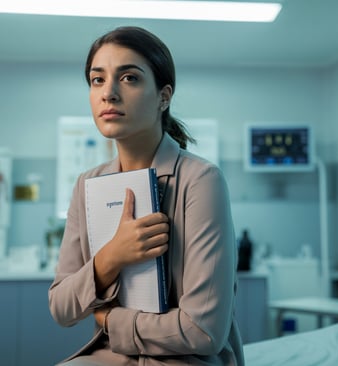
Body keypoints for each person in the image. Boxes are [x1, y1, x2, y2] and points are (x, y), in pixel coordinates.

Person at [49, 26, 244, 366]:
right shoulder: (86, 184)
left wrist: (110, 320)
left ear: (163, 96)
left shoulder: (201, 179)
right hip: (112, 355)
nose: (108, 93)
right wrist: (112, 258)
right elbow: (62, 308)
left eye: (129, 78)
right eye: (97, 80)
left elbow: (205, 332)